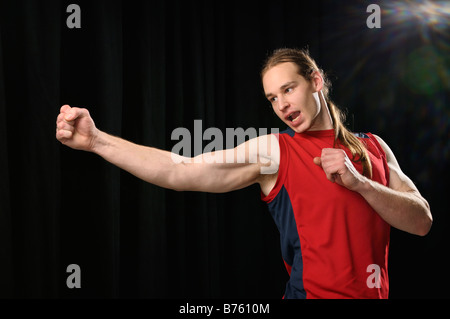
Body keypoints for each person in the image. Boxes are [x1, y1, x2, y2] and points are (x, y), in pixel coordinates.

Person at [55, 48, 432, 299]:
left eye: (289, 89)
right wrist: (97, 142)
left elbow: (421, 221)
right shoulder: (276, 151)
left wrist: (360, 183)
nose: (282, 105)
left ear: (316, 81)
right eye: (272, 98)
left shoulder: (375, 147)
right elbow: (179, 170)